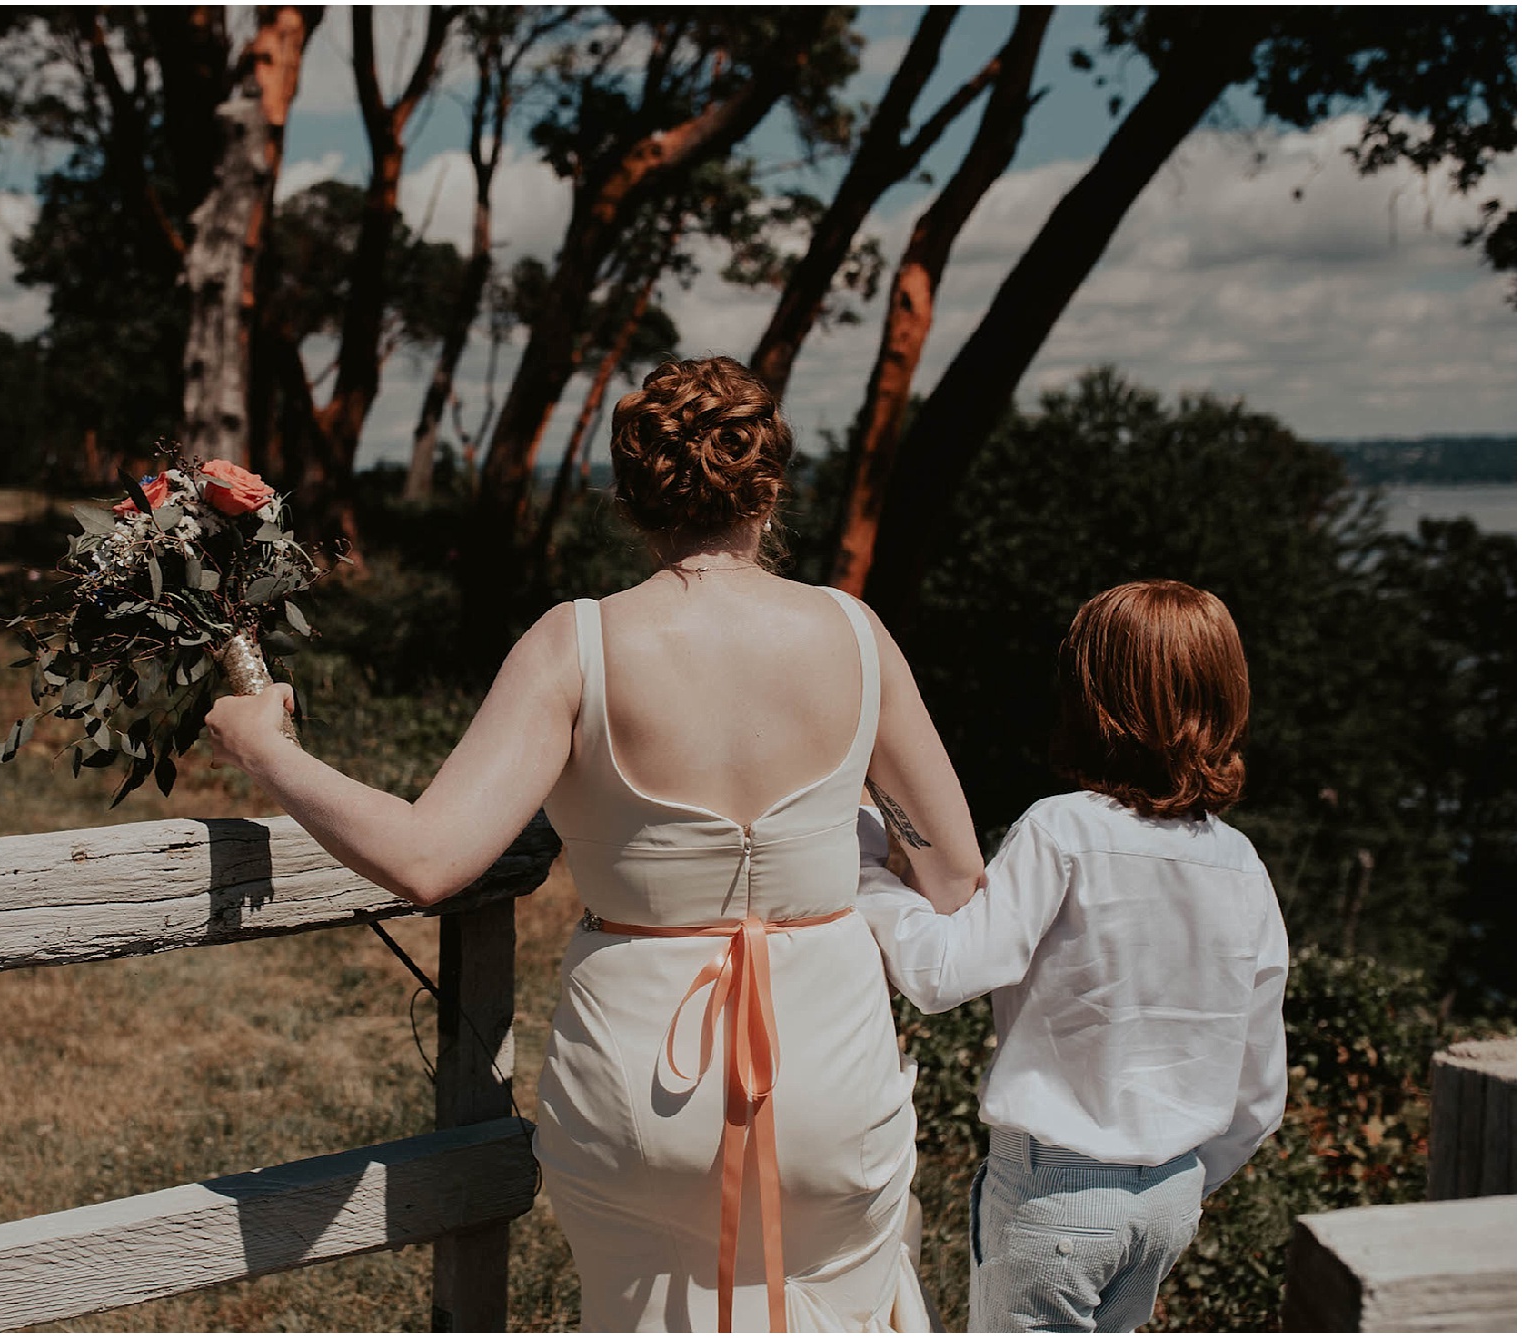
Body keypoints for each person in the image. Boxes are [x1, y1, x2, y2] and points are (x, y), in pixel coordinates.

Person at [205, 355, 985, 1332]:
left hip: (637, 1081)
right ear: (770, 486)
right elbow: (953, 877)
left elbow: (426, 857)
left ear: (630, 495)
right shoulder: (855, 634)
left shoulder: (575, 644)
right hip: (831, 1069)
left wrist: (265, 750)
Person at [857, 579, 1290, 1333]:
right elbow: (1259, 1092)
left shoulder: (1064, 832)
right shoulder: (1242, 864)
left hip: (1055, 1191)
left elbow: (942, 972)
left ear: (1092, 698)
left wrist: (866, 878)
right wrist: (1173, 1177)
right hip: (1169, 1202)